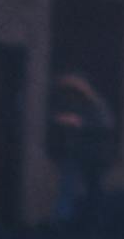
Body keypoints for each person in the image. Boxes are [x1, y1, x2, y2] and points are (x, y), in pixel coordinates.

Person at [44, 74, 117, 228]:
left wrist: (78, 124)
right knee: (73, 187)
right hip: (78, 155)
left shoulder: (96, 106)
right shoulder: (77, 106)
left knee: (92, 189)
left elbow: (103, 126)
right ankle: (71, 219)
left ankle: (93, 221)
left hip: (93, 156)